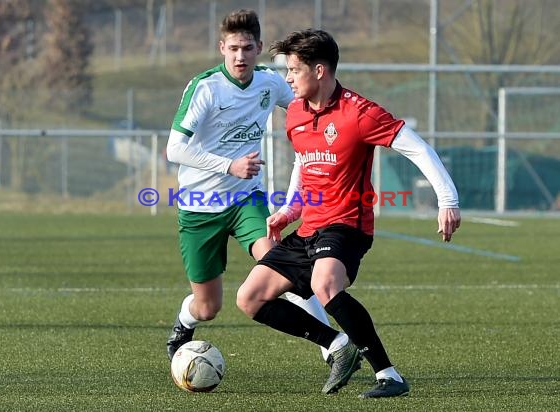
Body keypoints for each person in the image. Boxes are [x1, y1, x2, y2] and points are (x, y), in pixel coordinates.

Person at [236, 29, 461, 398]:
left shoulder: (360, 113)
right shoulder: (294, 112)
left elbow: (417, 148)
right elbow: (302, 161)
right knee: (250, 298)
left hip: (346, 224)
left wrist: (447, 201)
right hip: (309, 227)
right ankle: (338, 345)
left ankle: (389, 376)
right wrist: (289, 209)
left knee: (326, 284)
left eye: (294, 70)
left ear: (320, 70)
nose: (288, 79)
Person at [164, 10, 335, 365]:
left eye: (247, 48)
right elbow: (174, 149)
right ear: (221, 48)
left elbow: (307, 109)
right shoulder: (205, 87)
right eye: (233, 49)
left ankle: (332, 348)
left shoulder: (270, 83)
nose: (240, 56)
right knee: (208, 307)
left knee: (280, 264)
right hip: (200, 206)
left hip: (246, 200)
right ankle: (185, 321)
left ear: (258, 48)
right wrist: (230, 165)